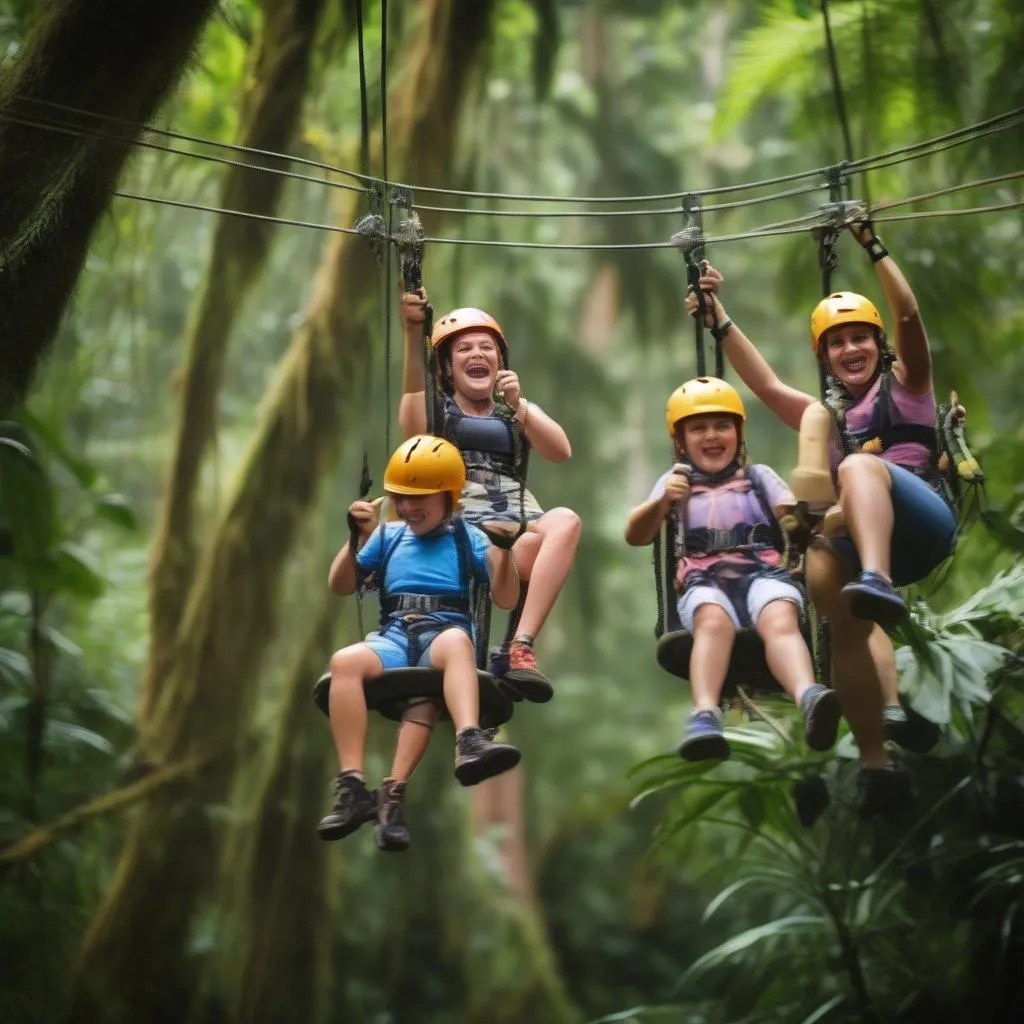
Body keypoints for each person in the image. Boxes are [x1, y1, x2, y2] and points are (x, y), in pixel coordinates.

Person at [690, 221, 957, 814]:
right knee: (822, 581)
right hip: (861, 546)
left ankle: (878, 582)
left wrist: (874, 245)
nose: (850, 349)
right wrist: (719, 317)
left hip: (922, 523)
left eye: (860, 337)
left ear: (878, 344)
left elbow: (909, 318)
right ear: (825, 356)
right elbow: (761, 384)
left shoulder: (909, 384)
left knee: (859, 471)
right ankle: (876, 763)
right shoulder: (825, 416)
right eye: (837, 343)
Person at [317, 435, 522, 849]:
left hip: (443, 635)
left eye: (421, 498)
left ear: (450, 497)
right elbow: (341, 585)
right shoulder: (389, 536)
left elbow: (506, 598)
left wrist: (503, 552)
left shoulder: (470, 538)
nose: (409, 508)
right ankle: (354, 786)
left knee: (453, 649)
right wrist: (354, 539)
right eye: (402, 498)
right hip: (394, 636)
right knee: (343, 661)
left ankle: (468, 740)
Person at [625, 376, 840, 760]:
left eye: (722, 425)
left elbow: (790, 513)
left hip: (764, 573)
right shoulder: (675, 484)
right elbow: (636, 534)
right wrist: (660, 504)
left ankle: (809, 696)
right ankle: (704, 713)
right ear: (680, 441)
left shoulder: (759, 479)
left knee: (779, 617)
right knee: (712, 620)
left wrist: (801, 519)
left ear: (738, 433)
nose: (711, 436)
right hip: (704, 581)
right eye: (698, 428)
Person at [397, 292, 580, 701]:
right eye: (464, 349)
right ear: (446, 366)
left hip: (510, 531)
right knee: (512, 532)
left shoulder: (514, 412)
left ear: (500, 363)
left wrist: (519, 406)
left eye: (486, 348)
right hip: (461, 531)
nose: (477, 354)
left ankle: (520, 646)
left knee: (565, 520)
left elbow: (560, 450)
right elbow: (410, 421)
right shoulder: (437, 411)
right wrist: (414, 334)